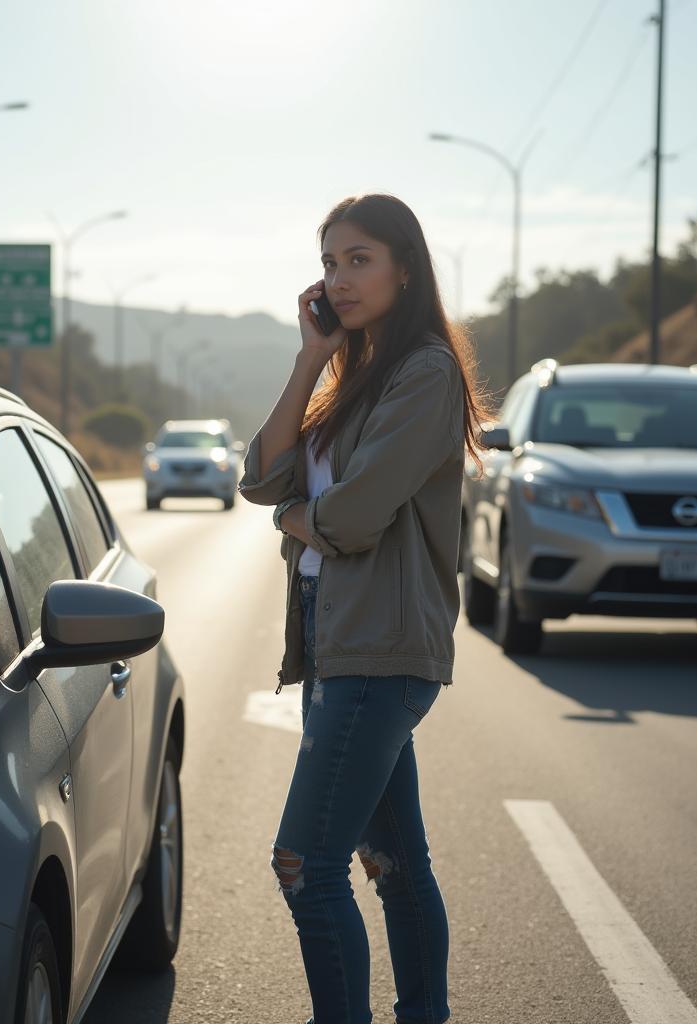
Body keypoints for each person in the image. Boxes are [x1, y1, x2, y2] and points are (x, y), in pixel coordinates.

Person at [237, 193, 490, 1024]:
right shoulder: (352, 372)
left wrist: (298, 516)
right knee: (395, 863)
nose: (339, 279)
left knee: (305, 866)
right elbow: (260, 478)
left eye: (360, 260)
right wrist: (310, 360)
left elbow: (348, 517)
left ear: (405, 268)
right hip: (335, 643)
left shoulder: (425, 371)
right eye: (329, 262)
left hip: (378, 648)